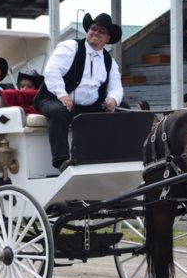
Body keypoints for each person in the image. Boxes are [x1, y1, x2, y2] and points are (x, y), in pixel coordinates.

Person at [33, 12, 124, 170]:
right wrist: (62, 94)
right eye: (93, 28)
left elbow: (116, 87)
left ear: (108, 39)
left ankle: (113, 157)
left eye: (101, 31)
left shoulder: (110, 61)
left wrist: (113, 100)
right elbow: (52, 71)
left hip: (88, 106)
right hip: (53, 98)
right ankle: (62, 161)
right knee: (58, 111)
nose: (95, 33)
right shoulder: (70, 47)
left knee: (124, 110)